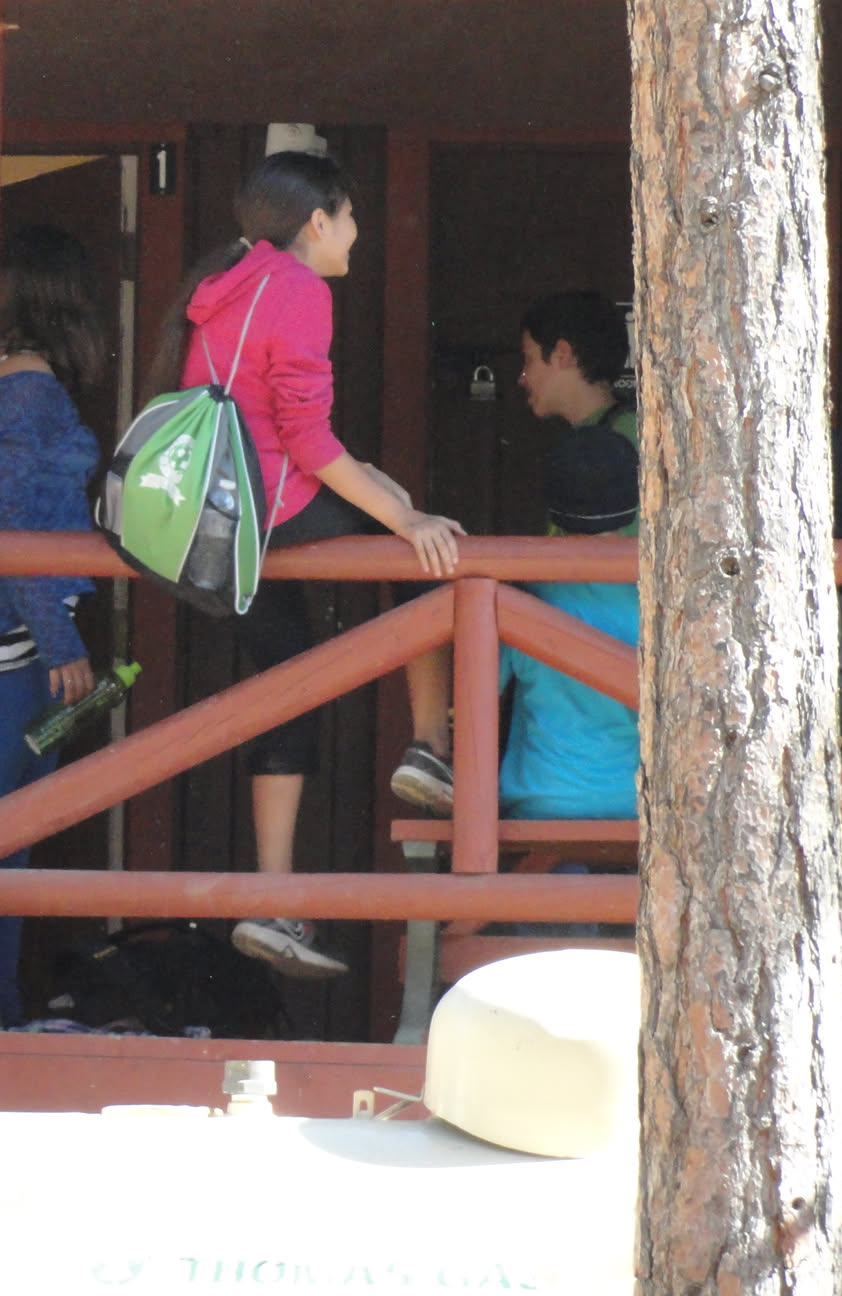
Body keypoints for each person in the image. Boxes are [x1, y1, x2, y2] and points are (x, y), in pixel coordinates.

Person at [148, 152, 464, 979]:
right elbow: (306, 438)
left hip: (209, 518)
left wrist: (387, 495)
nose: (356, 234)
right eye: (350, 217)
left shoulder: (227, 281)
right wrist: (404, 515)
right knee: (418, 553)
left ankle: (274, 902)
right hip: (266, 507)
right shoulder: (297, 287)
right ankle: (430, 746)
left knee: (287, 683)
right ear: (318, 221)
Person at [0, 226, 108, 1031]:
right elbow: (10, 518)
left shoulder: (16, 382)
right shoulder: (28, 387)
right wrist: (59, 639)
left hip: (25, 639)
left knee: (7, 837)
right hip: (18, 646)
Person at [499, 422, 641, 821]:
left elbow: (477, 692)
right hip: (643, 804)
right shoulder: (666, 591)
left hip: (541, 799)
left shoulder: (524, 592)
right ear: (636, 498)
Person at [517, 291, 638, 535]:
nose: (522, 377)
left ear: (562, 354)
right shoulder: (611, 431)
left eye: (529, 359)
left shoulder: (628, 437)